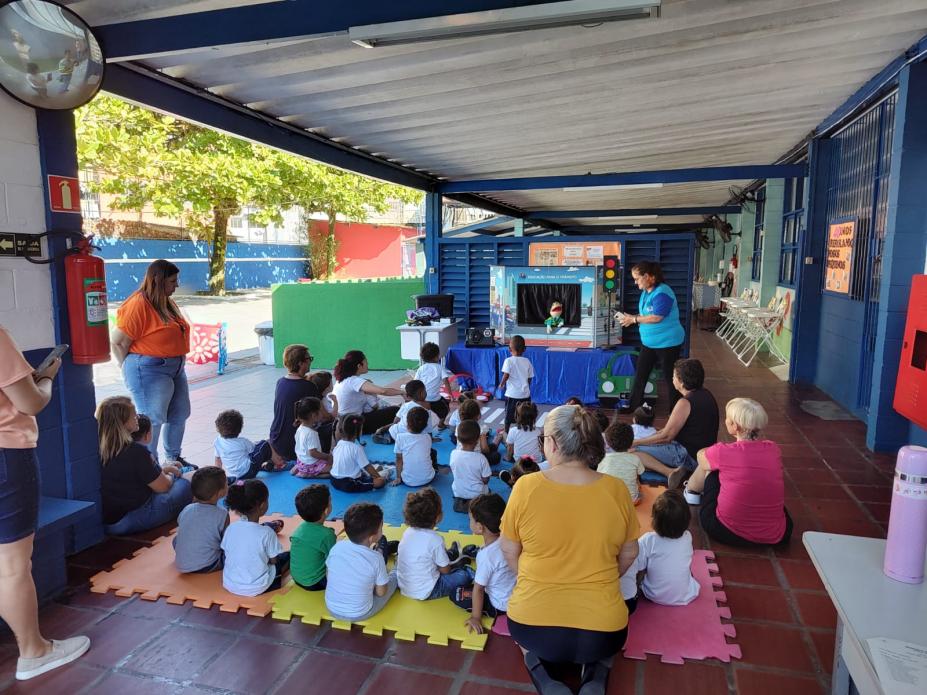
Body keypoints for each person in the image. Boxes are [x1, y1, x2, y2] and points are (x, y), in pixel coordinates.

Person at [500, 405, 640, 693]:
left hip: (532, 626)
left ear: (550, 443)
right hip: (603, 633)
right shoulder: (616, 490)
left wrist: (530, 576)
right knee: (604, 644)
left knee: (523, 643)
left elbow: (509, 551)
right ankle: (596, 675)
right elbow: (630, 553)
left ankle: (545, 679)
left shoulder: (525, 487)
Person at [0, 325, 90, 680]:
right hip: (6, 455)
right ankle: (34, 651)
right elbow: (31, 402)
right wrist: (47, 378)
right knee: (11, 565)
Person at [111, 260, 192, 467]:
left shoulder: (166, 301)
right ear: (158, 280)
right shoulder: (139, 304)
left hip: (174, 367)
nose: (176, 285)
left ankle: (173, 459)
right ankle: (149, 465)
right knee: (153, 419)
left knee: (180, 413)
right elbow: (118, 341)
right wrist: (127, 368)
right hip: (150, 369)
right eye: (173, 281)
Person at [686, 398, 793, 547]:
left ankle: (691, 492)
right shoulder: (773, 449)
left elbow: (701, 459)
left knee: (712, 468)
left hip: (727, 531)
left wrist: (707, 452)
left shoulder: (722, 451)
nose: (726, 421)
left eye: (728, 419)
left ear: (735, 426)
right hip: (776, 536)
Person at [97, 396, 192, 535]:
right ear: (122, 422)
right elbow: (163, 486)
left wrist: (162, 470)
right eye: (133, 415)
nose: (137, 417)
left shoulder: (98, 449)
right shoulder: (134, 451)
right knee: (187, 482)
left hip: (110, 522)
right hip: (135, 516)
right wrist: (171, 474)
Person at [633, 359, 720, 491]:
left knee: (632, 452)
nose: (672, 379)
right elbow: (669, 431)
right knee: (649, 443)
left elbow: (666, 436)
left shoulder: (685, 402)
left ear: (682, 382)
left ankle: (669, 472)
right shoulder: (706, 394)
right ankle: (679, 470)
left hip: (687, 455)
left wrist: (636, 442)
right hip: (702, 452)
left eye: (674, 376)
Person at [616, 261, 686, 411]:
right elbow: (645, 314)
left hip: (668, 343)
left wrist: (634, 319)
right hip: (650, 343)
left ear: (647, 276)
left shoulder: (663, 292)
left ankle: (676, 411)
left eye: (637, 279)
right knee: (640, 374)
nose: (635, 282)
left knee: (671, 378)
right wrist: (631, 317)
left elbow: (657, 317)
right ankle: (634, 406)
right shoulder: (646, 292)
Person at [620, 490, 699, 614]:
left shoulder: (648, 540)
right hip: (685, 595)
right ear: (687, 519)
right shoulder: (688, 537)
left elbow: (637, 566)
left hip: (654, 594)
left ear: (654, 521)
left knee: (642, 569)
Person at [450, 494, 517, 634]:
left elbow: (479, 589)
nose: (470, 523)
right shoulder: (513, 538)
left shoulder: (486, 556)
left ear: (480, 527)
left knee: (455, 593)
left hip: (500, 605)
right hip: (517, 596)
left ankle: (487, 611)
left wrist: (475, 617)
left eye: (471, 520)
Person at [397, 488, 475, 600]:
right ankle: (456, 563)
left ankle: (450, 555)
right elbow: (445, 571)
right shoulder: (435, 539)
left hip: (405, 587)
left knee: (433, 556)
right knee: (463, 575)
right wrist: (448, 567)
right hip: (429, 590)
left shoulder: (407, 532)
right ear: (438, 517)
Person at [325, 503, 397, 622]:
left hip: (332, 608)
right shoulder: (376, 559)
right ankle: (396, 566)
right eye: (381, 528)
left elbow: (329, 574)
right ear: (371, 538)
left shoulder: (337, 547)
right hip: (359, 613)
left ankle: (380, 554)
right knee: (394, 579)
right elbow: (381, 593)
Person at [221, 480, 290, 596]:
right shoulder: (267, 533)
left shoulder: (231, 528)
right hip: (258, 587)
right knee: (288, 555)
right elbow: (274, 561)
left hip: (230, 583)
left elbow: (227, 552)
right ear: (262, 506)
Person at [269, 344, 330, 468]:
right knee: (334, 426)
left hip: (276, 440)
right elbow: (325, 417)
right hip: (294, 445)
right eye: (309, 359)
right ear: (301, 363)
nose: (310, 362)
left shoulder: (280, 382)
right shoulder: (308, 386)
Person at [173, 467, 229, 574]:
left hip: (181, 565)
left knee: (177, 539)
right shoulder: (222, 514)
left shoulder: (187, 509)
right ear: (220, 492)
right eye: (226, 484)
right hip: (209, 565)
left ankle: (188, 555)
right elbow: (226, 542)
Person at [332, 350, 404, 434]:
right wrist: (403, 392)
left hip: (343, 421)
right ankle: (385, 432)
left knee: (386, 408)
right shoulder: (354, 381)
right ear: (359, 366)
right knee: (397, 411)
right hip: (353, 424)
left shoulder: (343, 379)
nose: (368, 365)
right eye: (366, 362)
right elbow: (383, 391)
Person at [290, 485, 336, 591]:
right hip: (315, 582)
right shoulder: (327, 535)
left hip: (297, 579)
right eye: (330, 501)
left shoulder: (300, 528)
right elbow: (334, 560)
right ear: (326, 510)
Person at [330, 414, 388, 492]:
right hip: (349, 483)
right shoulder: (357, 448)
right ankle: (380, 474)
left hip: (333, 480)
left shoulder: (339, 443)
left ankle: (374, 473)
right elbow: (367, 467)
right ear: (359, 432)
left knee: (362, 470)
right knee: (381, 481)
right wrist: (379, 477)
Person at [213, 409, 273, 482]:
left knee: (251, 457)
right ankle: (275, 463)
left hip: (234, 474)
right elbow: (253, 449)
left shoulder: (217, 441)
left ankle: (263, 467)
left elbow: (218, 460)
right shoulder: (242, 441)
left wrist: (218, 477)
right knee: (263, 445)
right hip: (249, 471)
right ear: (239, 429)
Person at [372, 380, 437, 445]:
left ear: (408, 396)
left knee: (393, 431)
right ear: (422, 393)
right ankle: (384, 434)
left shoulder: (406, 405)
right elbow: (429, 425)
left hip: (398, 433)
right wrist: (430, 438)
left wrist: (388, 426)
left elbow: (396, 421)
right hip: (415, 436)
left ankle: (384, 434)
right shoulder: (427, 406)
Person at [450, 421, 492, 514]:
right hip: (478, 493)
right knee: (488, 492)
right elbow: (485, 480)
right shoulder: (481, 458)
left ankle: (462, 502)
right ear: (478, 440)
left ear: (459, 439)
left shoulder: (453, 454)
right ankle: (475, 504)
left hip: (458, 492)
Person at [598, 422, 645, 504]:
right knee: (639, 488)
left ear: (608, 443)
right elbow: (639, 474)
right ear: (631, 443)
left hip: (608, 501)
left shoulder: (603, 459)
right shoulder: (635, 459)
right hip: (631, 501)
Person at [392, 407, 437, 488]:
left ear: (407, 423)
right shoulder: (427, 437)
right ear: (426, 425)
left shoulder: (400, 437)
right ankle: (434, 470)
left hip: (408, 481)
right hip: (429, 478)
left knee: (404, 456)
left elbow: (399, 459)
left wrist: (398, 478)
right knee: (432, 452)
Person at [499, 335, 534, 434]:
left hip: (512, 395)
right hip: (525, 395)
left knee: (509, 415)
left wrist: (501, 384)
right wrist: (526, 386)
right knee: (525, 414)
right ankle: (527, 432)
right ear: (525, 349)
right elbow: (530, 377)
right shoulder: (527, 361)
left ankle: (506, 432)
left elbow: (506, 375)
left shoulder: (508, 360)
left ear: (509, 349)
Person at [292, 397, 333, 479]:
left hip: (301, 462)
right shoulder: (311, 433)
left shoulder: (300, 428)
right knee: (334, 470)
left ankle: (300, 470)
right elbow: (313, 453)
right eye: (321, 411)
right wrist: (327, 456)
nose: (323, 413)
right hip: (311, 465)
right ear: (314, 415)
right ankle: (312, 474)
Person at [415, 342, 452, 428]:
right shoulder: (439, 368)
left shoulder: (421, 368)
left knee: (424, 416)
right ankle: (441, 423)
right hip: (435, 399)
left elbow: (416, 383)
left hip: (422, 399)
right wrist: (451, 395)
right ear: (437, 356)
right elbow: (446, 382)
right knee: (446, 409)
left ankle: (424, 426)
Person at [458, 398, 500, 466]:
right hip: (476, 457)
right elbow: (484, 449)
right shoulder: (480, 427)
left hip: (461, 455)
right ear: (478, 415)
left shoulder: (459, 426)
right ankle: (497, 440)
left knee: (492, 447)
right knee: (496, 456)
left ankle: (495, 442)